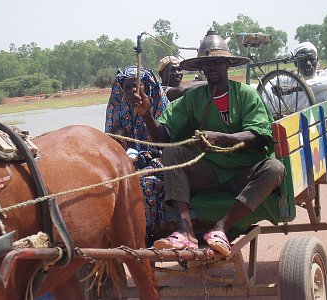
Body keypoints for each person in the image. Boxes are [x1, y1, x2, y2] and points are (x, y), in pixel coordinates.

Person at [130, 28, 285, 256]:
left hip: (244, 172)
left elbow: (259, 135)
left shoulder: (246, 95)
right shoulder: (192, 98)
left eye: (217, 63)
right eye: (207, 64)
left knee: (275, 168)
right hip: (209, 172)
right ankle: (185, 231)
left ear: (227, 64)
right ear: (201, 68)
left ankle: (220, 228)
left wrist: (221, 138)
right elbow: (163, 136)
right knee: (172, 154)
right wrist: (146, 115)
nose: (211, 68)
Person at [105, 66, 169, 242]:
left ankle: (144, 236)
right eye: (128, 87)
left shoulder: (161, 108)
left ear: (147, 87)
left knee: (143, 183)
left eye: (137, 86)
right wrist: (119, 140)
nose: (133, 91)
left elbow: (164, 143)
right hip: (130, 164)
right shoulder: (119, 113)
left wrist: (145, 114)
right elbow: (115, 143)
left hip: (162, 163)